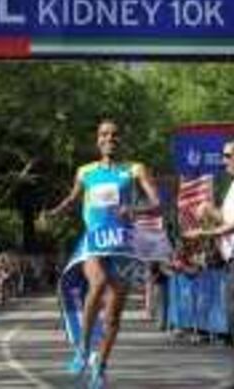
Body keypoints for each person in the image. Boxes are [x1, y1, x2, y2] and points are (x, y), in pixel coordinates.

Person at [46, 119, 160, 388]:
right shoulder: (85, 172)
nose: (110, 138)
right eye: (104, 134)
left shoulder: (134, 169)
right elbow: (73, 199)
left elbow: (156, 201)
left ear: (121, 140)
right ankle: (83, 348)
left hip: (122, 244)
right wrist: (55, 212)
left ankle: (101, 365)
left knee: (112, 316)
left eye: (115, 134)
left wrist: (136, 210)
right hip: (94, 242)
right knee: (96, 283)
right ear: (97, 140)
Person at [185, 138, 234, 389]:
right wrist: (210, 211)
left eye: (227, 155)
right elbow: (229, 218)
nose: (224, 160)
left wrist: (206, 234)